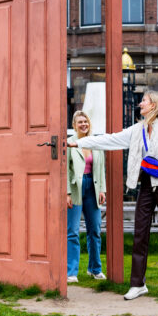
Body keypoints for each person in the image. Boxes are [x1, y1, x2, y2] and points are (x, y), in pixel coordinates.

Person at [67, 90, 158, 299]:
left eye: (144, 101)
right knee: (140, 233)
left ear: (154, 104)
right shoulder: (137, 129)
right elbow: (111, 140)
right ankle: (138, 284)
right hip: (146, 184)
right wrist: (80, 143)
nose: (140, 104)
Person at [67, 110, 107, 283]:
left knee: (95, 230)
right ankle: (71, 272)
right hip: (76, 188)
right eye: (80, 122)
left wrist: (102, 190)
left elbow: (100, 168)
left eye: (86, 121)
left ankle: (95, 269)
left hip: (93, 187)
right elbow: (65, 170)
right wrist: (67, 192)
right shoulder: (69, 143)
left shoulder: (95, 143)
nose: (83, 124)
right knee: (73, 232)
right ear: (74, 125)